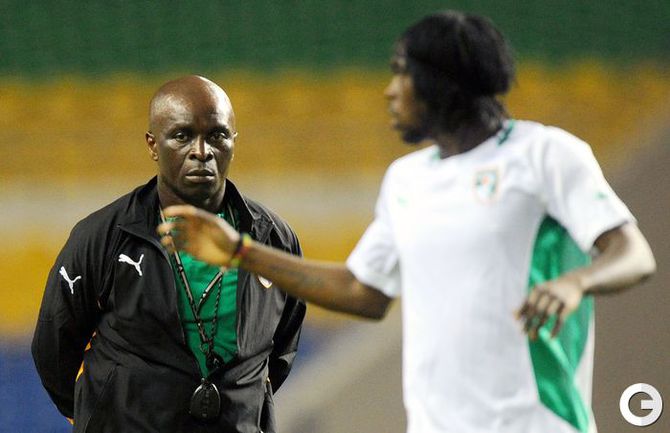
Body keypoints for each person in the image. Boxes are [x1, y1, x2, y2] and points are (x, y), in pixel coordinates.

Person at [157, 11, 656, 433]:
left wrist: (575, 282)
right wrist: (240, 252)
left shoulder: (546, 154)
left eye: (401, 73)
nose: (389, 91)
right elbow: (363, 290)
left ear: (443, 80)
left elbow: (633, 253)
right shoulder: (408, 179)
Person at [32, 75, 306, 433]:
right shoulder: (102, 237)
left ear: (234, 142)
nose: (202, 151)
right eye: (182, 136)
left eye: (217, 135)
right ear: (152, 145)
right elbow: (53, 349)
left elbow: (281, 350)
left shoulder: (274, 240)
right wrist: (99, 415)